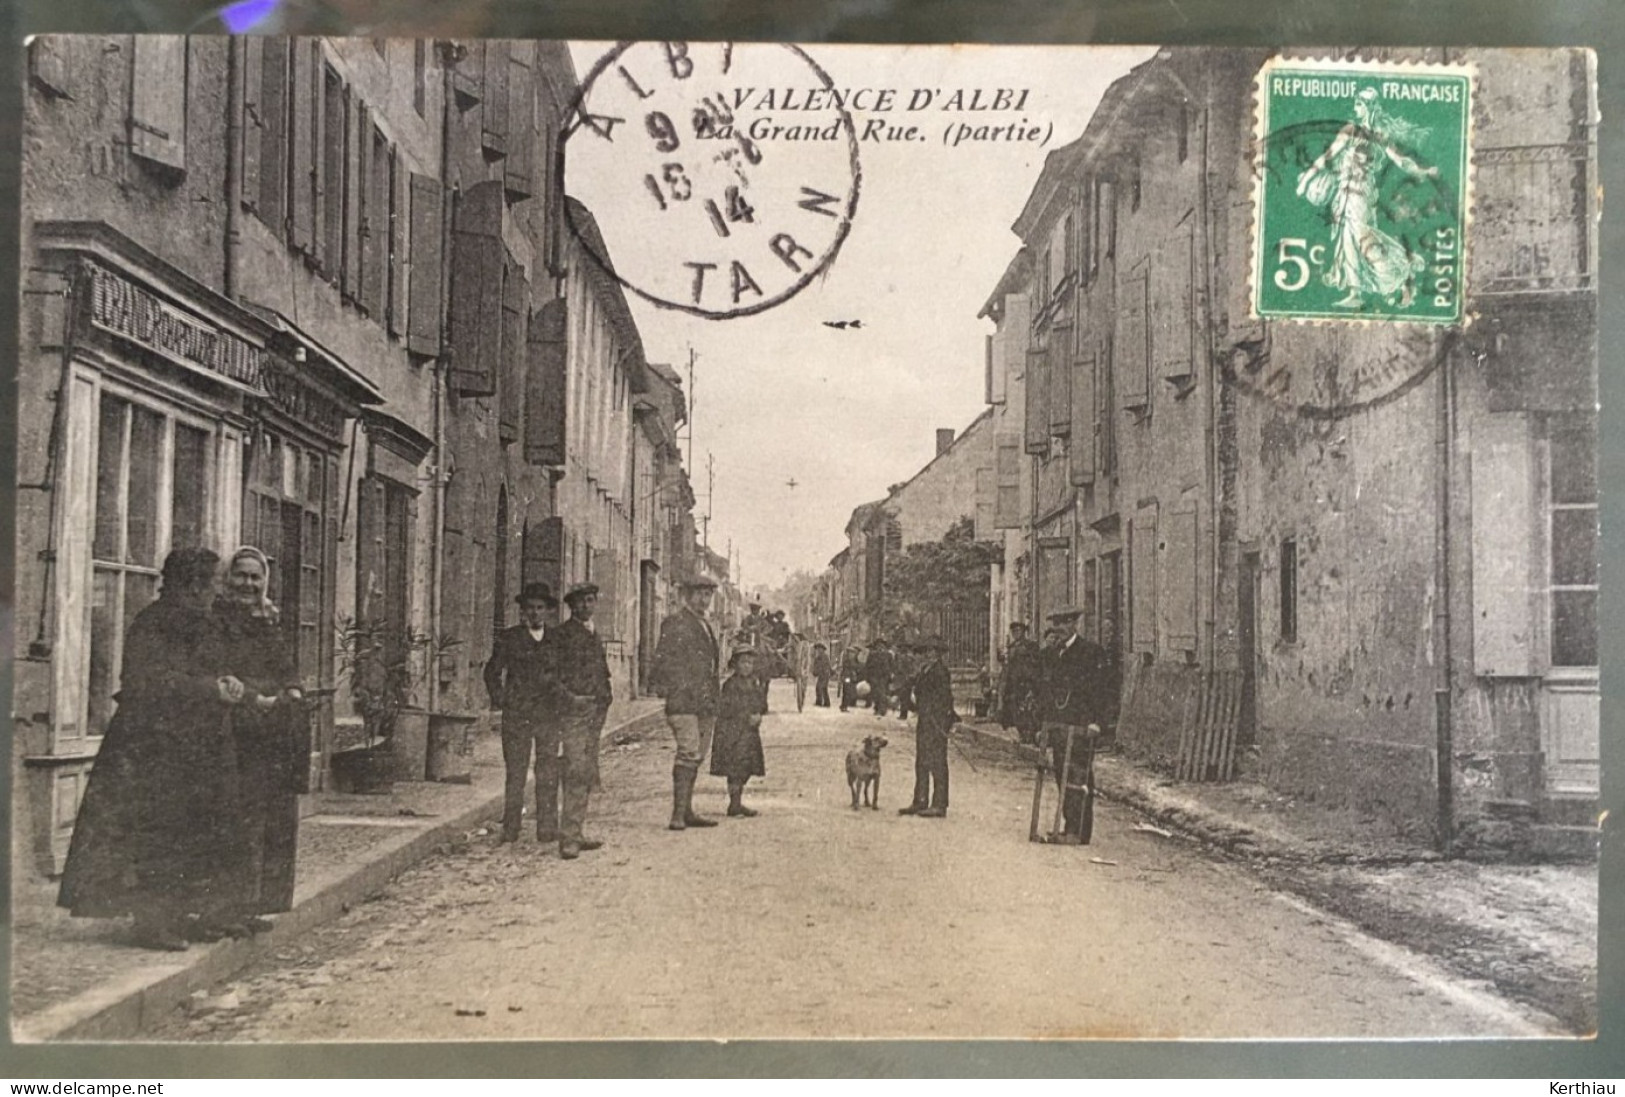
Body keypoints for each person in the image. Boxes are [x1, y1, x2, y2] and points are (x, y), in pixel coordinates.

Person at [57, 548, 250, 951]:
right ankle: (152, 922)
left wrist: (228, 681)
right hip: (153, 745)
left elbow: (210, 669)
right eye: (212, 582)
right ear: (193, 585)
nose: (217, 590)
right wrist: (207, 689)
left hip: (196, 743)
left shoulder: (203, 621)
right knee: (158, 832)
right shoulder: (153, 623)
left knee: (193, 830)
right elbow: (147, 680)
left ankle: (183, 915)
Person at [211, 545, 306, 938]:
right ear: (228, 579)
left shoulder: (269, 619)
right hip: (232, 728)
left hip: (272, 730)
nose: (248, 584)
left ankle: (256, 902)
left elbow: (286, 665)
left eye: (255, 577)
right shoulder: (216, 620)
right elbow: (219, 670)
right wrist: (255, 697)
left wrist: (294, 689)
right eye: (241, 575)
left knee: (272, 817)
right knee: (238, 819)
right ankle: (228, 906)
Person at [1296, 86, 1438, 309]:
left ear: (1369, 107)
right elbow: (1328, 156)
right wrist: (1306, 181)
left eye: (1359, 104)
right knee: (1352, 239)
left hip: (1362, 194)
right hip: (1346, 192)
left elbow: (1401, 161)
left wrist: (1422, 172)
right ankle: (1366, 289)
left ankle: (1398, 271)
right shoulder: (1349, 131)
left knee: (1361, 238)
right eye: (1356, 104)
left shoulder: (1379, 136)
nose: (1355, 108)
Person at [484, 582, 563, 844]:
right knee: (516, 772)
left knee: (548, 770)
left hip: (548, 715)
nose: (535, 613)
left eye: (540, 608)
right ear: (522, 610)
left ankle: (547, 827)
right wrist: (502, 700)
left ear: (548, 611)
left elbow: (565, 675)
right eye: (530, 608)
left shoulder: (556, 640)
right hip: (518, 715)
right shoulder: (510, 638)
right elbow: (492, 672)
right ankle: (511, 827)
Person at [652, 576, 722, 831]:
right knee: (688, 751)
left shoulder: (705, 624)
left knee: (697, 755)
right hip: (683, 701)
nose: (704, 599)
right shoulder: (676, 623)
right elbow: (664, 660)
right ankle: (678, 814)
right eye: (699, 594)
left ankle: (688, 809)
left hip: (704, 702)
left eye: (708, 595)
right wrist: (676, 688)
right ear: (688, 596)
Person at [1040, 606, 1115, 843]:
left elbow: (1104, 692)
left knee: (1079, 777)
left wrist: (1098, 723)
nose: (1058, 630)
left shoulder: (1091, 653)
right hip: (1061, 726)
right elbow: (1048, 693)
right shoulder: (1053, 654)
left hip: (1083, 726)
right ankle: (1069, 825)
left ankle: (1079, 832)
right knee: (1062, 775)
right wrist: (1044, 727)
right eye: (1055, 625)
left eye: (1063, 625)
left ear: (1074, 625)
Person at [552, 583, 614, 860]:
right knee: (576, 768)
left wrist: (605, 699)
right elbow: (550, 676)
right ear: (572, 606)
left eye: (591, 601)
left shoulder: (593, 633)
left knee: (586, 770)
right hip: (574, 711)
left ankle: (576, 832)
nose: (587, 606)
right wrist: (571, 699)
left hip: (595, 710)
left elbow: (601, 671)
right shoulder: (562, 635)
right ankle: (568, 838)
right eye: (582, 602)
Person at [899, 638, 955, 818]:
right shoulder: (924, 671)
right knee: (922, 761)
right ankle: (920, 800)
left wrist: (939, 717)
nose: (929, 654)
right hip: (925, 720)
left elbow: (945, 698)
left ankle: (939, 804)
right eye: (927, 651)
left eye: (933, 651)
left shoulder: (941, 671)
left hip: (936, 722)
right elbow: (918, 695)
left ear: (939, 653)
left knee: (937, 762)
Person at [711, 647, 769, 817]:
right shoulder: (730, 685)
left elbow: (761, 703)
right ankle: (734, 804)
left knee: (745, 767)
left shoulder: (754, 682)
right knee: (735, 768)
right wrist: (747, 717)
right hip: (732, 732)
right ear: (735, 664)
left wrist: (759, 713)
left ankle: (737, 802)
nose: (746, 666)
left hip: (748, 732)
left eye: (750, 663)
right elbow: (729, 708)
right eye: (743, 662)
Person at [998, 622, 1045, 745]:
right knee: (1015, 710)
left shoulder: (1031, 646)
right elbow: (1007, 667)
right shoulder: (1010, 647)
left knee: (1028, 709)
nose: (1016, 633)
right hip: (1014, 684)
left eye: (1018, 630)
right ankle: (1022, 734)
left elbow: (1036, 664)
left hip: (1027, 682)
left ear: (1024, 631)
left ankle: (1030, 734)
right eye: (1014, 631)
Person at [864, 638, 894, 718]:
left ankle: (882, 709)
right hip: (874, 676)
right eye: (878, 646)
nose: (880, 647)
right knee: (875, 693)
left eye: (882, 646)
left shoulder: (888, 655)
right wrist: (867, 677)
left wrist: (891, 676)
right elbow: (867, 666)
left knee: (882, 693)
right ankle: (877, 707)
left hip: (884, 676)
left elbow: (892, 666)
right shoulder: (872, 655)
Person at [894, 642, 919, 721]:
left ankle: (904, 714)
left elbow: (915, 668)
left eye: (904, 647)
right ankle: (914, 709)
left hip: (907, 679)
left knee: (905, 697)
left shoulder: (911, 658)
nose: (902, 649)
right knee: (903, 697)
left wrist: (912, 676)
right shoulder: (899, 657)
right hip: (901, 679)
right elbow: (897, 668)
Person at [839, 643, 864, 711]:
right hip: (847, 678)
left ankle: (844, 705)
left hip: (850, 678)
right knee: (846, 692)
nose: (852, 654)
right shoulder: (847, 661)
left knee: (848, 692)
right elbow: (846, 669)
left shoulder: (852, 660)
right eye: (851, 653)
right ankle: (844, 706)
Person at [811, 642, 834, 708]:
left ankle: (820, 702)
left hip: (825, 674)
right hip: (821, 675)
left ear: (822, 650)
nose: (818, 650)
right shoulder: (817, 658)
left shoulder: (825, 657)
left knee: (819, 687)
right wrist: (815, 672)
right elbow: (815, 667)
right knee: (823, 688)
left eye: (819, 649)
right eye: (817, 649)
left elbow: (828, 665)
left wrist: (831, 671)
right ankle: (826, 703)